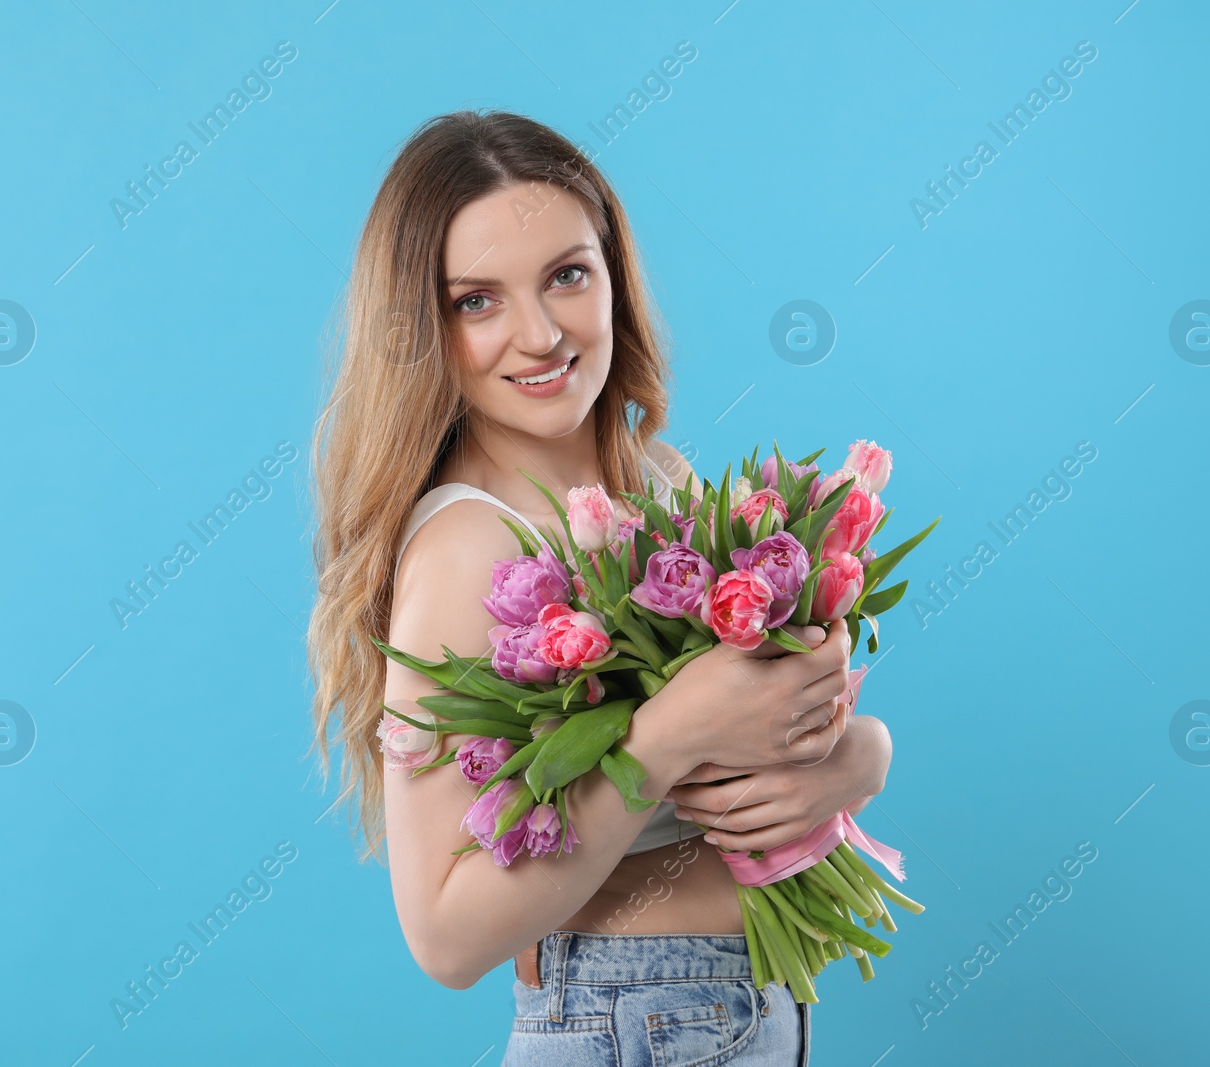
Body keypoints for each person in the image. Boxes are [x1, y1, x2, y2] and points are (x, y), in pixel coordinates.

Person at [306, 109, 894, 1066]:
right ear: (422, 327)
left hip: (730, 1012)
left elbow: (756, 732)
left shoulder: (660, 487)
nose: (539, 335)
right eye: (476, 300)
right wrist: (667, 735)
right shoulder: (468, 547)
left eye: (567, 275)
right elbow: (445, 936)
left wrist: (857, 756)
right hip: (632, 1023)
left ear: (614, 272)